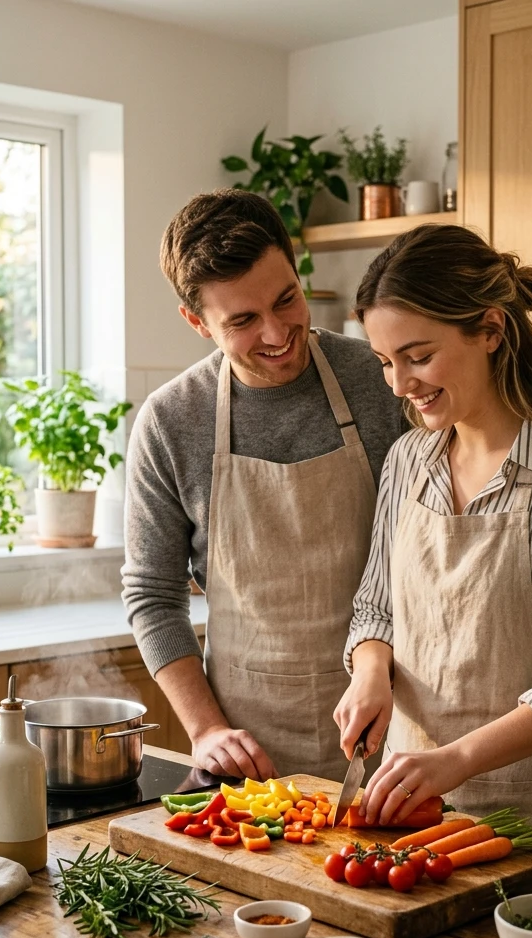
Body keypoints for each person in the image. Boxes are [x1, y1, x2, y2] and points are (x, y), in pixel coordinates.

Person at [333, 224, 532, 864]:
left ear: (491, 330)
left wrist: (457, 760)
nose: (399, 385)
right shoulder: (408, 460)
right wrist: (370, 672)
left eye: (418, 356)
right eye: (386, 362)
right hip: (410, 814)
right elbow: (376, 609)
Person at [122, 189, 405, 782]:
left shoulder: (382, 380)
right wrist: (205, 730)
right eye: (244, 321)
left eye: (287, 300)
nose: (279, 333)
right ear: (196, 322)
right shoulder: (172, 421)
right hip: (250, 753)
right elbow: (152, 595)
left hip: (397, 732)